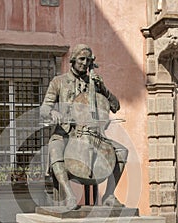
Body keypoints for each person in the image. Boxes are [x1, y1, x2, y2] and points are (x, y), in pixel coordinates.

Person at [40, 44, 128, 210]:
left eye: (88, 60)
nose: (85, 63)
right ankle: (69, 195)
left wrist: (103, 88)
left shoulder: (94, 83)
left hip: (93, 134)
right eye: (81, 59)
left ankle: (109, 195)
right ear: (73, 59)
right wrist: (52, 113)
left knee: (122, 151)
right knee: (54, 149)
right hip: (66, 133)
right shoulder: (59, 82)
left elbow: (115, 106)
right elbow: (44, 108)